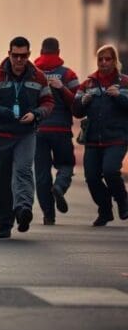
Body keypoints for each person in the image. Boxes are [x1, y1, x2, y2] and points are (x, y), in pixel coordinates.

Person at [0, 36, 54, 239]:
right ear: (9, 54)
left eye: (23, 56)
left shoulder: (38, 77)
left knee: (23, 170)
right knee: (2, 178)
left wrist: (36, 114)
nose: (19, 60)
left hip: (25, 133)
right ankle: (5, 221)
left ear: (29, 55)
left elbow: (48, 102)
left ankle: (23, 210)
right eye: (15, 56)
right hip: (0, 134)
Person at [72, 44, 128, 226]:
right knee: (92, 177)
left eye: (108, 59)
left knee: (111, 171)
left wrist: (120, 96)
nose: (104, 62)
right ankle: (105, 210)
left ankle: (123, 201)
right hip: (93, 139)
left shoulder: (124, 82)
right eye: (100, 59)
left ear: (115, 61)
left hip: (117, 137)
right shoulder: (88, 83)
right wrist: (83, 101)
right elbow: (76, 110)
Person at [32, 37, 80, 225]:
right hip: (61, 130)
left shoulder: (32, 73)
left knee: (42, 174)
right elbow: (77, 103)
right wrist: (62, 90)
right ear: (58, 52)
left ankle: (48, 215)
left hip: (38, 130)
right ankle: (59, 186)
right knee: (66, 164)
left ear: (41, 51)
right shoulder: (68, 75)